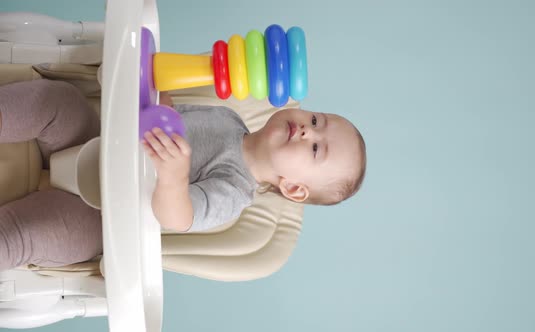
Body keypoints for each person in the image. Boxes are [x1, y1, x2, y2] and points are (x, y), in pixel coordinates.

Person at [0, 78, 367, 271]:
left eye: (317, 148)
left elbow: (179, 217)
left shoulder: (235, 192)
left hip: (100, 215)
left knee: (24, 235)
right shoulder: (227, 118)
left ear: (294, 188)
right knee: (58, 101)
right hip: (93, 143)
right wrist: (161, 96)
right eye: (317, 120)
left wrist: (173, 177)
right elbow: (163, 115)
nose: (308, 130)